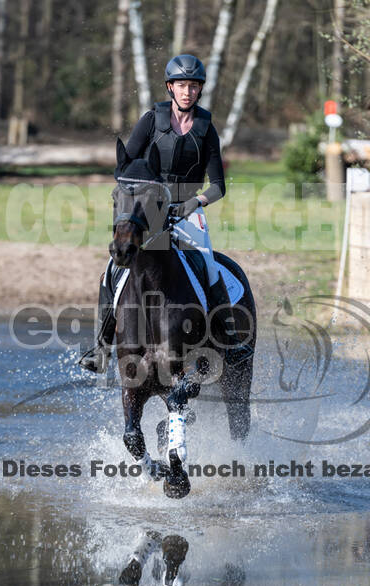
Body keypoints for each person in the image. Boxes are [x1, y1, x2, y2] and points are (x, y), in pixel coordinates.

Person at [79, 54, 253, 373]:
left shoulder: (206, 129)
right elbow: (127, 164)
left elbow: (218, 186)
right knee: (112, 268)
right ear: (170, 87)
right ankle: (102, 345)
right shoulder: (151, 120)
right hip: (148, 208)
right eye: (182, 85)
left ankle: (228, 339)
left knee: (209, 263)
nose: (187, 92)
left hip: (188, 209)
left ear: (200, 90)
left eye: (194, 86)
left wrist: (194, 202)